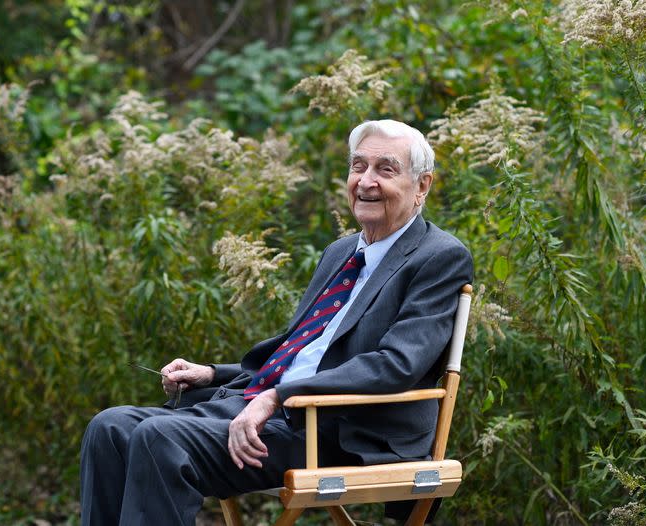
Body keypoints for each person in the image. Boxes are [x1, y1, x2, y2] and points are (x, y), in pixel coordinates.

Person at [80, 119, 473, 525]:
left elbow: (397, 364)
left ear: (422, 186)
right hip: (271, 411)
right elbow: (303, 352)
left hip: (340, 431)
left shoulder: (439, 257)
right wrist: (214, 374)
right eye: (358, 167)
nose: (365, 181)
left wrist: (278, 396)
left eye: (385, 169)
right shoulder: (340, 252)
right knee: (110, 428)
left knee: (159, 438)